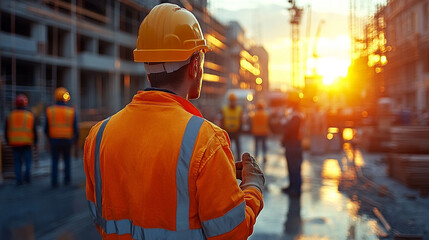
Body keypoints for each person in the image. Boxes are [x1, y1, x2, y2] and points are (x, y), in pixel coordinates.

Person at [83, 3, 265, 239]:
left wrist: (220, 172)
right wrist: (254, 188)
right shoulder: (205, 141)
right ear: (195, 66)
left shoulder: (98, 136)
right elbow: (231, 232)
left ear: (147, 65)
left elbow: (104, 213)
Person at [45, 87, 79, 187]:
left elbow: (46, 128)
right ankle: (67, 180)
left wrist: (49, 140)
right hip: (67, 140)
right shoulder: (71, 111)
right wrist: (75, 140)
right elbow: (75, 128)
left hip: (54, 140)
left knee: (55, 160)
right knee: (67, 160)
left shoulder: (50, 110)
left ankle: (54, 182)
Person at [5, 94, 38, 185]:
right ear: (25, 104)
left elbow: (6, 129)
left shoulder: (10, 116)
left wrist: (8, 141)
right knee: (28, 162)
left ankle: (19, 180)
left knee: (17, 162)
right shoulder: (29, 116)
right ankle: (27, 177)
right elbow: (34, 130)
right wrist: (35, 142)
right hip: (27, 143)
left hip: (15, 143)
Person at [281, 91, 304, 197]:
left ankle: (296, 189)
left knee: (294, 166)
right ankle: (292, 186)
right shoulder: (292, 114)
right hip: (291, 144)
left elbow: (290, 130)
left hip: (294, 144)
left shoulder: (296, 116)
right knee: (291, 166)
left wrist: (284, 136)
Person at [221, 93, 243, 161]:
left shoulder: (239, 109)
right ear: (229, 101)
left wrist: (240, 130)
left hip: (236, 132)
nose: (232, 102)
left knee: (238, 148)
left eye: (234, 100)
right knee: (227, 148)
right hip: (228, 132)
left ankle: (239, 160)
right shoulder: (224, 109)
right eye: (231, 100)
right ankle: (228, 161)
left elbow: (241, 120)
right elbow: (222, 120)